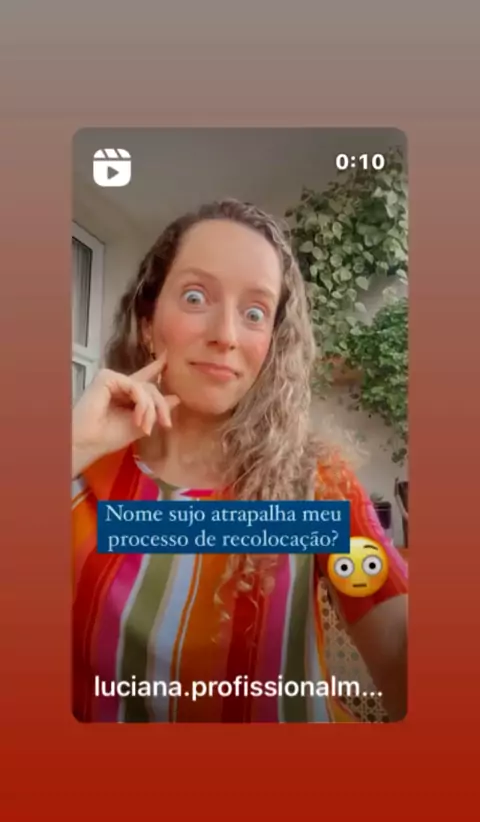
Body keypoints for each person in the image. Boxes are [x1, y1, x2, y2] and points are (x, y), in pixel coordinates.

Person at [72, 198, 408, 724]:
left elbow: (400, 644)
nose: (226, 335)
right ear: (147, 322)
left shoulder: (314, 483)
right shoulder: (79, 477)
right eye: (195, 296)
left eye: (255, 313)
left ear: (271, 344)